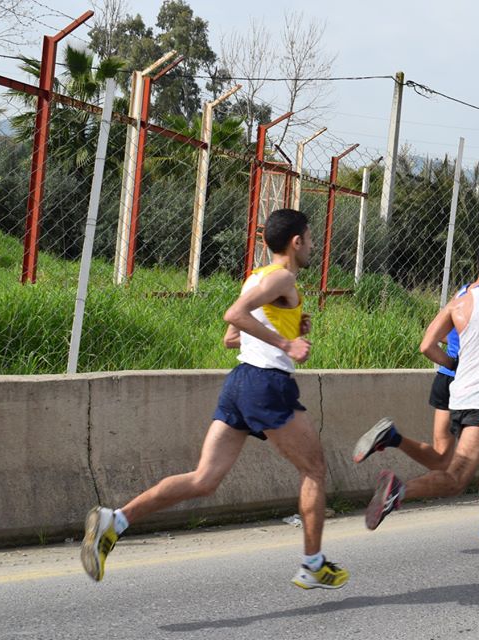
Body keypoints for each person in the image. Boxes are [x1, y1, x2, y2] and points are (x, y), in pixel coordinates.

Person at [80, 208, 349, 590]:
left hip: (239, 383)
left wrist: (290, 324)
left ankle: (116, 519)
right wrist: (286, 342)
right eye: (311, 237)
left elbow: (231, 338)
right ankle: (312, 564)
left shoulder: (259, 277)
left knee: (204, 479)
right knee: (315, 469)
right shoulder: (284, 276)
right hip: (266, 385)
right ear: (296, 241)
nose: (313, 245)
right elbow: (235, 315)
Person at [363, 239, 479, 563]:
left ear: (478, 266)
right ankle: (398, 491)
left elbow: (426, 345)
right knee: (456, 478)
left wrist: (454, 365)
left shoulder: (459, 303)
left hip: (458, 396)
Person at [352, 277, 479, 543]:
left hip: (446, 378)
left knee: (448, 459)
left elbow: (437, 334)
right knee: (470, 469)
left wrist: (454, 356)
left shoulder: (463, 296)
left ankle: (393, 438)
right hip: (475, 385)